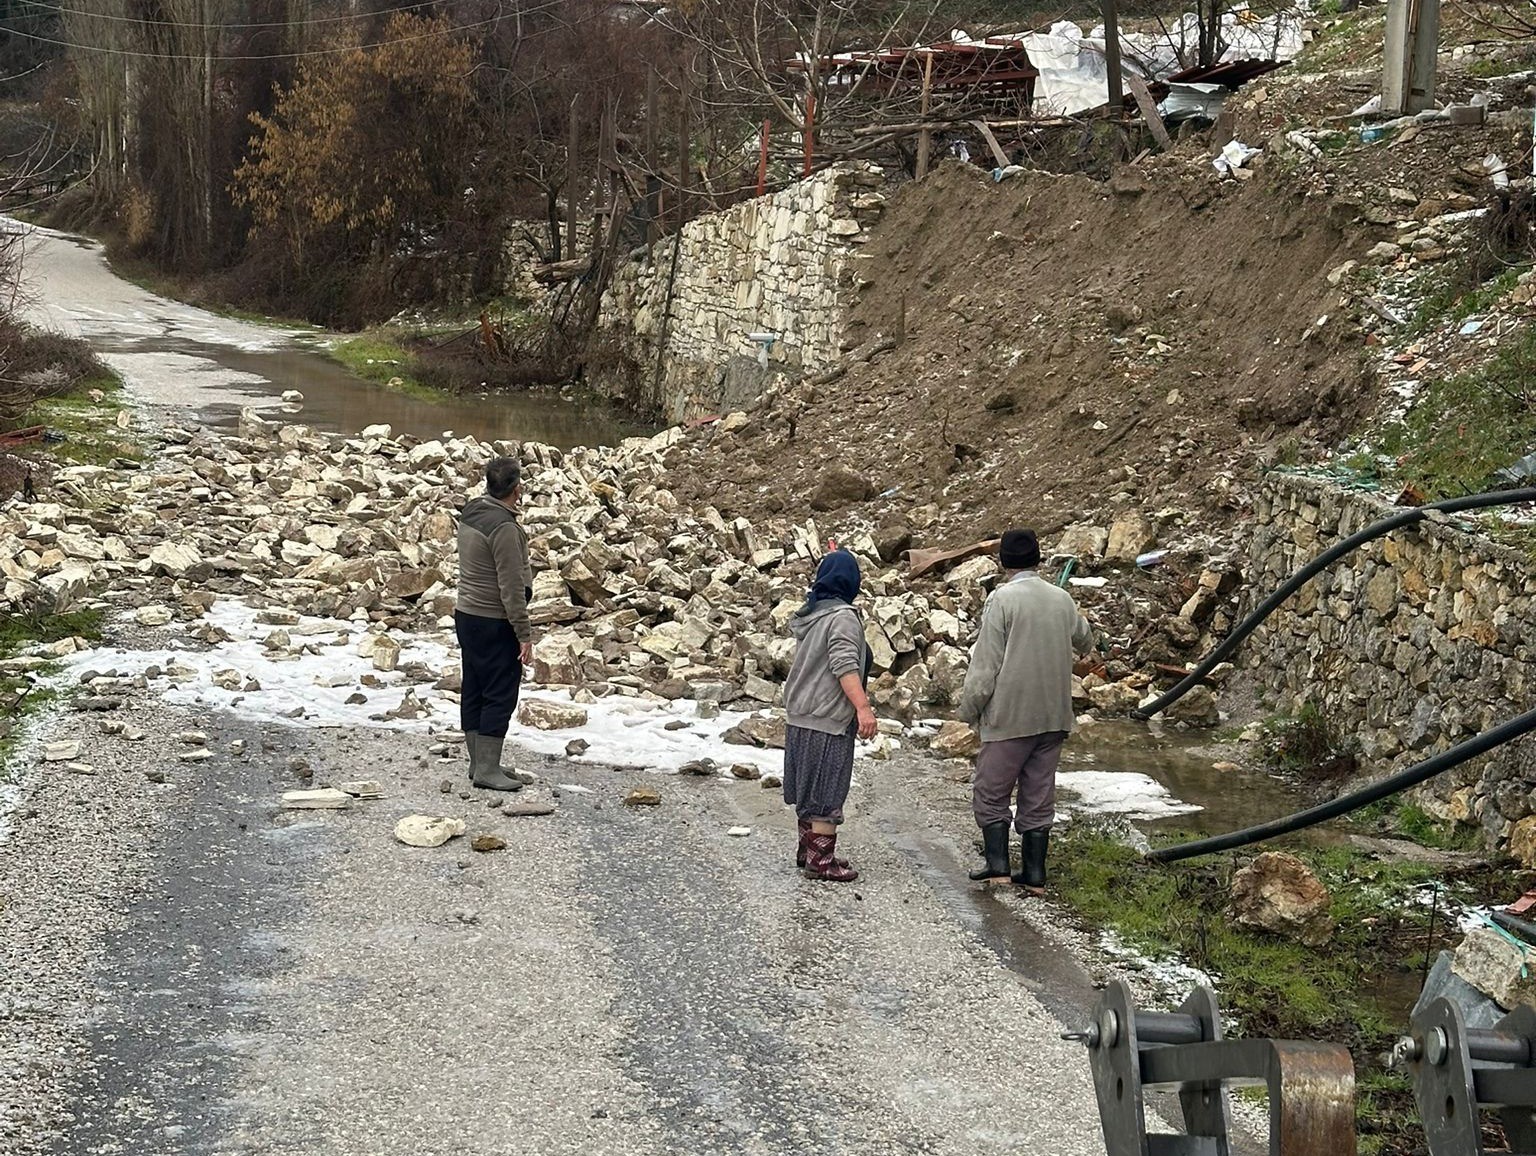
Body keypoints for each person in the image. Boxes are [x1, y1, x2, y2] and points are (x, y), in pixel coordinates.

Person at [958, 529, 1094, 895]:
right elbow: (1086, 639)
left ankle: (998, 865)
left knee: (991, 791)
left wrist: (969, 710)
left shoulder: (1002, 600)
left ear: (1003, 562)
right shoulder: (1061, 598)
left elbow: (986, 667)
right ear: (1038, 558)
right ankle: (1034, 874)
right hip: (1054, 715)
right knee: (1038, 792)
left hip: (1010, 716)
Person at [782, 549, 878, 882]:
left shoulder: (813, 615)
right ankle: (820, 861)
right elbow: (844, 665)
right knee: (825, 790)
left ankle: (807, 849)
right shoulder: (843, 618)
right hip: (825, 718)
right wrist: (863, 708)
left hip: (800, 715)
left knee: (808, 787)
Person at [454, 455, 535, 792]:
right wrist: (524, 634)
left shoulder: (473, 511)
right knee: (500, 693)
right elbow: (511, 588)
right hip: (493, 620)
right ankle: (487, 770)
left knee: (474, 686)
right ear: (517, 490)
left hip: (466, 615)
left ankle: (479, 763)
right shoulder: (504, 528)